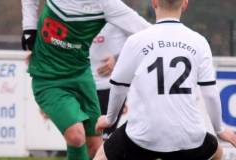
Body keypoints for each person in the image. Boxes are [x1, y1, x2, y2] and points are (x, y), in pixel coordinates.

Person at [94, 0, 236, 160]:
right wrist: (219, 130)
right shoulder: (199, 42)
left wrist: (109, 119)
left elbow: (119, 87)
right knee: (217, 152)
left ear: (154, 3)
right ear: (184, 4)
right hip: (188, 137)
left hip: (142, 137)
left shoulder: (136, 40)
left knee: (101, 155)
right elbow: (210, 93)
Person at [21, 0, 152, 160]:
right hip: (48, 78)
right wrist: (29, 27)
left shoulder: (107, 4)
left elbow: (148, 33)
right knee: (76, 136)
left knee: (96, 148)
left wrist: (181, 42)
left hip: (82, 76)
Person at [89, 23, 128, 140]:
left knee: (104, 140)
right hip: (84, 87)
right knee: (86, 140)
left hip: (110, 88)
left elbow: (145, 41)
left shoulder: (119, 12)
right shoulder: (77, 13)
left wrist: (118, 58)